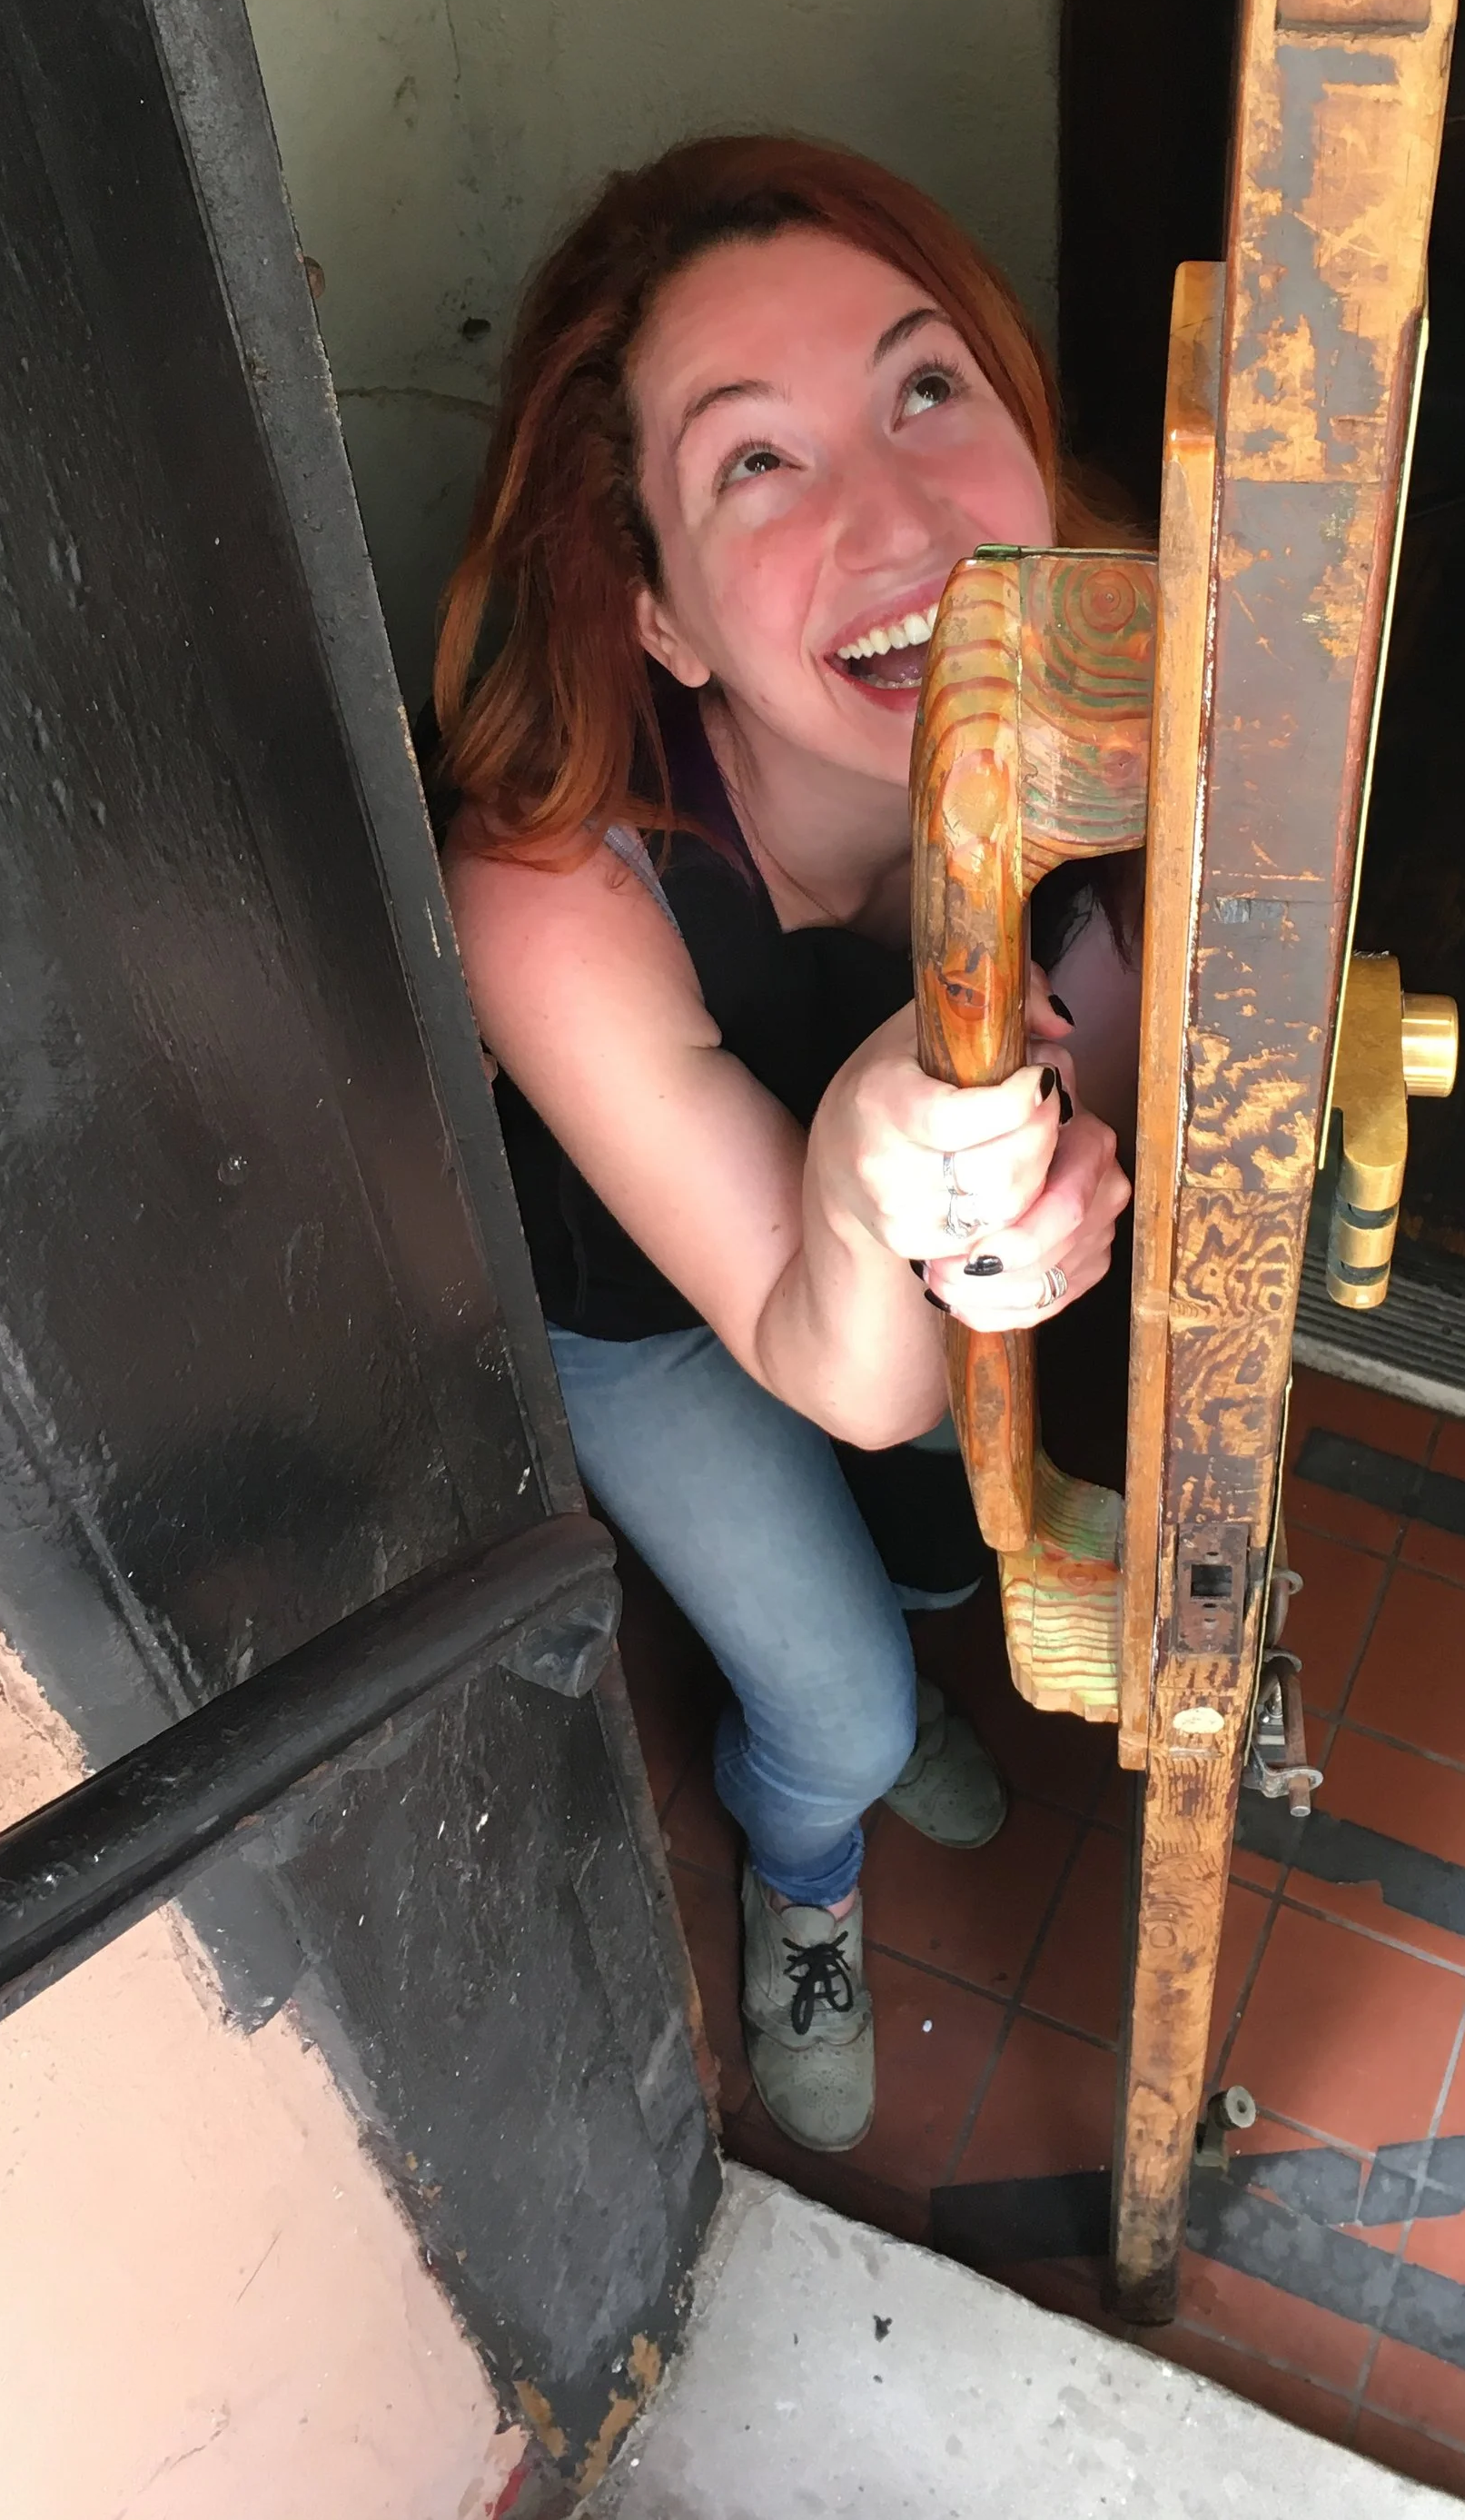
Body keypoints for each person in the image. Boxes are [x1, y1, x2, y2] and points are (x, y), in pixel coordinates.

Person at [431, 136, 1138, 2151]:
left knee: (947, 1515)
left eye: (926, 387)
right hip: (655, 1318)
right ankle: (809, 1857)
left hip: (874, 1281)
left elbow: (1120, 1061)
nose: (901, 519)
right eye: (756, 460)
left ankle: (900, 1670)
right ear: (655, 610)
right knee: (832, 1699)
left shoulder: (1119, 696)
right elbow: (849, 1357)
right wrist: (856, 1173)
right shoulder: (551, 890)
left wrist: (1050, 1158)